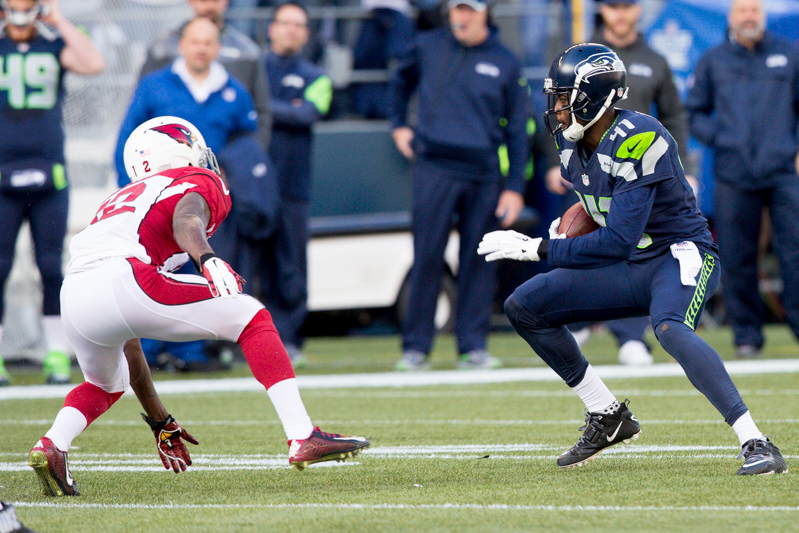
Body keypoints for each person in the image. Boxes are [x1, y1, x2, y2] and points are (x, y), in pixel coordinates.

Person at [478, 43, 787, 475]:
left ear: (593, 97)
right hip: (632, 263)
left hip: (678, 254)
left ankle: (756, 440)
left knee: (670, 328)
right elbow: (603, 200)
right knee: (524, 306)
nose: (557, 109)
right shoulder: (570, 142)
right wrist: (576, 218)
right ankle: (607, 415)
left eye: (565, 98)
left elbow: (617, 242)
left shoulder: (641, 138)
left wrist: (537, 248)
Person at [28, 116, 369, 497]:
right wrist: (206, 258)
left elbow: (130, 338)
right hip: (125, 278)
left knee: (105, 384)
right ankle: (302, 434)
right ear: (178, 151)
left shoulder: (116, 203)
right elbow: (187, 218)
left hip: (75, 294)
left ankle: (52, 444)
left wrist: (161, 422)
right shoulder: (196, 178)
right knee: (250, 315)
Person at [544, 0, 697, 366]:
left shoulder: (654, 60)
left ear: (637, 11)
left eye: (627, 5)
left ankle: (630, 335)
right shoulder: (578, 56)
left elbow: (673, 115)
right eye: (613, 6)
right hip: (589, 167)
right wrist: (554, 161)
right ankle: (577, 319)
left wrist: (683, 167)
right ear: (603, 11)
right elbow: (560, 113)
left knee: (630, 248)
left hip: (636, 172)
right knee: (575, 237)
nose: (620, 13)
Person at [115, 16, 265, 371]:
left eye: (208, 42)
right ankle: (149, 352)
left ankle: (191, 352)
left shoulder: (233, 90)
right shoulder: (154, 85)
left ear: (218, 47)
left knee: (201, 268)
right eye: (195, 41)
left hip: (204, 201)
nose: (201, 48)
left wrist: (233, 177)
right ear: (182, 44)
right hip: (155, 199)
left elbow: (248, 142)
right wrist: (130, 190)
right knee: (153, 271)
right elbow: (129, 139)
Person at [388, 0, 529, 371]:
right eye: (456, 9)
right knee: (426, 256)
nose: (461, 16)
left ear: (484, 13)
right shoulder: (427, 45)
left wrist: (514, 187)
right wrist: (398, 125)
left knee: (480, 260)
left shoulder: (505, 61)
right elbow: (399, 83)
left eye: (469, 9)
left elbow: (518, 129)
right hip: (434, 167)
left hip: (484, 173)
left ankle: (473, 345)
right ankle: (416, 348)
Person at [0, 0, 105, 386]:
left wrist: (58, 20)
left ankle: (57, 352)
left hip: (49, 174)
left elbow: (94, 63)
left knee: (50, 267)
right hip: (2, 175)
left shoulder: (53, 42)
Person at [686, 0, 799, 359]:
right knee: (736, 257)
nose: (749, 16)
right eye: (742, 10)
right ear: (732, 17)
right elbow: (694, 112)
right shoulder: (713, 60)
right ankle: (747, 337)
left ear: (762, 16)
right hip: (734, 173)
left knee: (795, 252)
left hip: (784, 171)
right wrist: (723, 139)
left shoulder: (790, 54)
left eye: (755, 10)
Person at [260, 2, 333, 367]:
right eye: (284, 22)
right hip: (251, 188)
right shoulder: (254, 68)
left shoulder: (317, 76)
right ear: (271, 28)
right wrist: (283, 107)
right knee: (246, 264)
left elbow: (308, 113)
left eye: (298, 24)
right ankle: (239, 342)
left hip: (293, 188)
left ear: (306, 34)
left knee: (290, 268)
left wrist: (263, 107)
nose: (290, 29)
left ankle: (288, 340)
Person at [140, 0, 271, 150]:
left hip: (224, 155)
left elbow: (259, 113)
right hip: (168, 154)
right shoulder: (163, 50)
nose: (209, 6)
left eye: (215, 0)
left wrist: (245, 159)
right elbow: (140, 111)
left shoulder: (246, 54)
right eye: (203, 0)